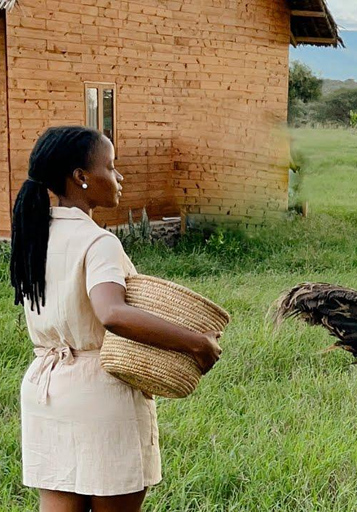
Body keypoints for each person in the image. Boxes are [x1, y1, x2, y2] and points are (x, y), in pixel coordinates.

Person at [10, 126, 223, 512]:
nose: (119, 177)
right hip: (100, 392)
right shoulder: (98, 241)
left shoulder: (35, 235)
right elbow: (112, 313)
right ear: (81, 178)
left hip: (46, 390)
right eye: (111, 166)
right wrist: (195, 342)